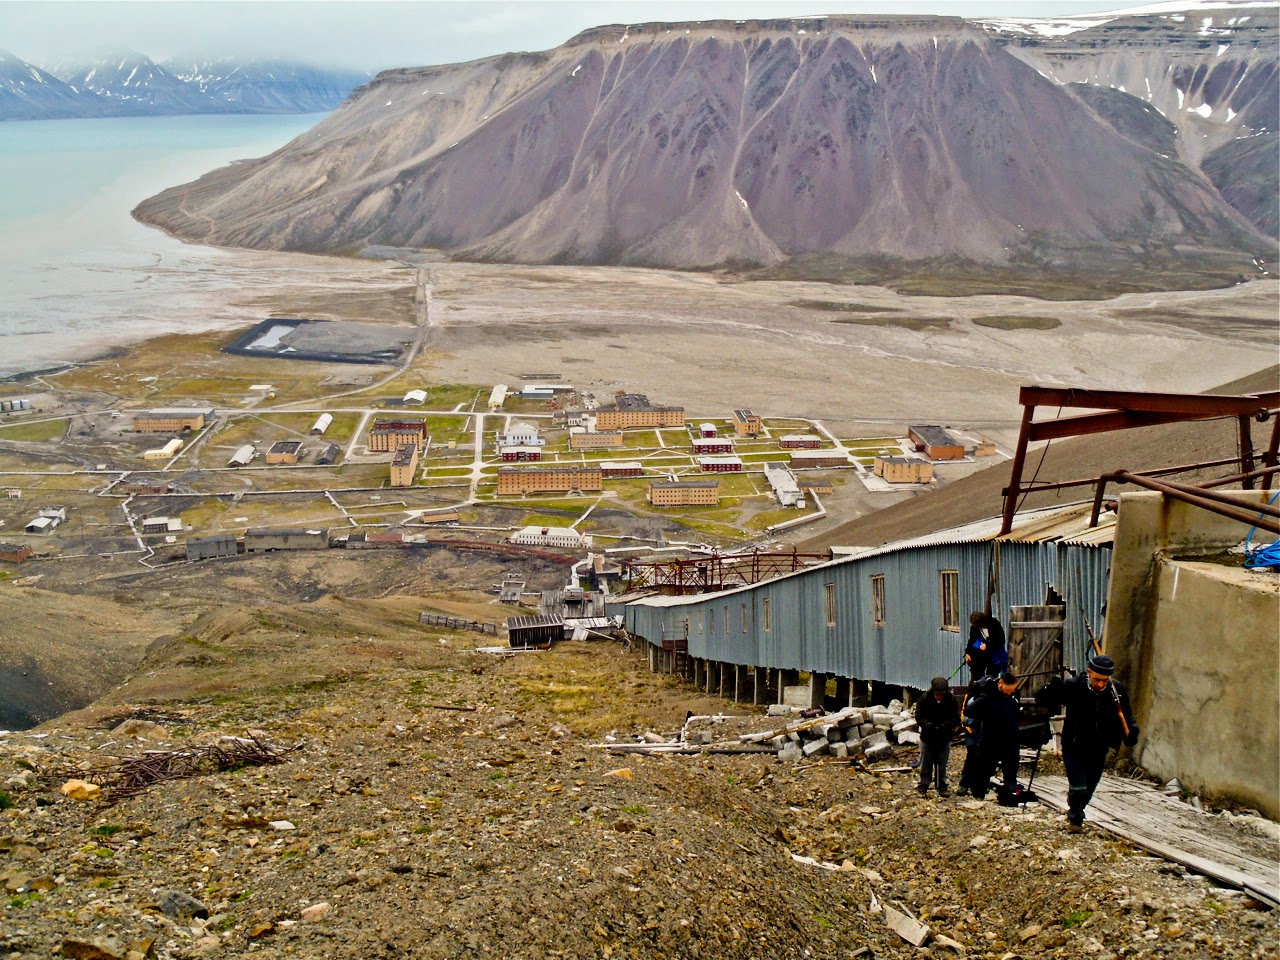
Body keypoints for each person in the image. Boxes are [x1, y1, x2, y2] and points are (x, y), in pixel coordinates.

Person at [1036, 654, 1139, 831]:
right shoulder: (1075, 686)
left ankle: (1078, 808)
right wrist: (1051, 688)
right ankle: (1075, 818)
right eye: (1097, 679)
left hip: (1099, 745)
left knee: (1090, 786)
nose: (1100, 684)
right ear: (1089, 672)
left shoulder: (1116, 690)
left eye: (1104, 681)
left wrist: (1131, 733)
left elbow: (1127, 715)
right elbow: (1042, 699)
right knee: (1078, 786)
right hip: (1074, 743)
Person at [964, 671, 1021, 800]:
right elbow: (969, 711)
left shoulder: (1013, 696)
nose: (1009, 693)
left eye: (1012, 691)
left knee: (1011, 765)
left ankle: (1010, 791)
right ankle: (978, 793)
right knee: (985, 767)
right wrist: (984, 718)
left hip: (1010, 737)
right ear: (1000, 684)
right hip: (991, 738)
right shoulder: (988, 696)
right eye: (1007, 690)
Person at [915, 676, 960, 797]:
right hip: (928, 736)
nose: (939, 697)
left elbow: (956, 718)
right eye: (937, 694)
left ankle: (942, 787)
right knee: (926, 762)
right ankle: (923, 786)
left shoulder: (951, 700)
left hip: (944, 737)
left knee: (942, 763)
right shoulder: (924, 698)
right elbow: (919, 716)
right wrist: (928, 725)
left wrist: (944, 726)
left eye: (941, 694)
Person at [965, 611, 1007, 685]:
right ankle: (975, 688)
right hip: (980, 654)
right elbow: (972, 640)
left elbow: (1001, 640)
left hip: (994, 653)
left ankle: (989, 687)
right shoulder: (974, 628)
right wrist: (968, 653)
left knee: (991, 676)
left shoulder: (994, 624)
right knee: (976, 673)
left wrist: (987, 645)